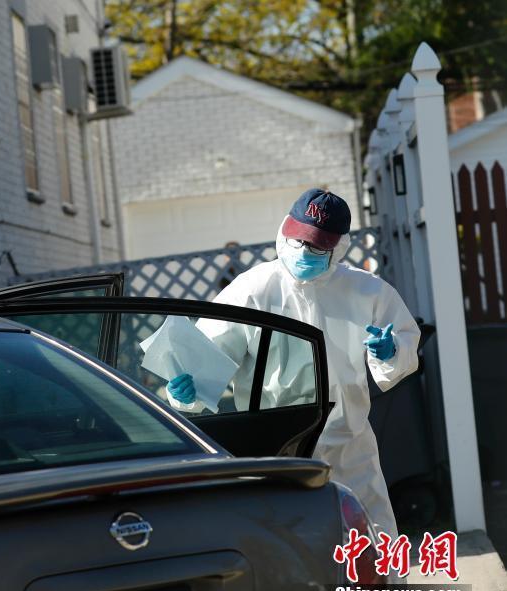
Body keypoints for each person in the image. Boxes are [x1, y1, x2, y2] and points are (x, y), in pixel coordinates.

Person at [166, 188, 419, 538]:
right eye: (298, 240)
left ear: (339, 246)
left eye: (317, 246)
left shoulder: (367, 292)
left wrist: (391, 351)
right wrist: (187, 389)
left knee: (372, 544)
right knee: (290, 549)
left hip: (347, 443)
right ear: (285, 230)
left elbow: (406, 341)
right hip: (276, 447)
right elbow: (207, 354)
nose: (304, 252)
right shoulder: (252, 290)